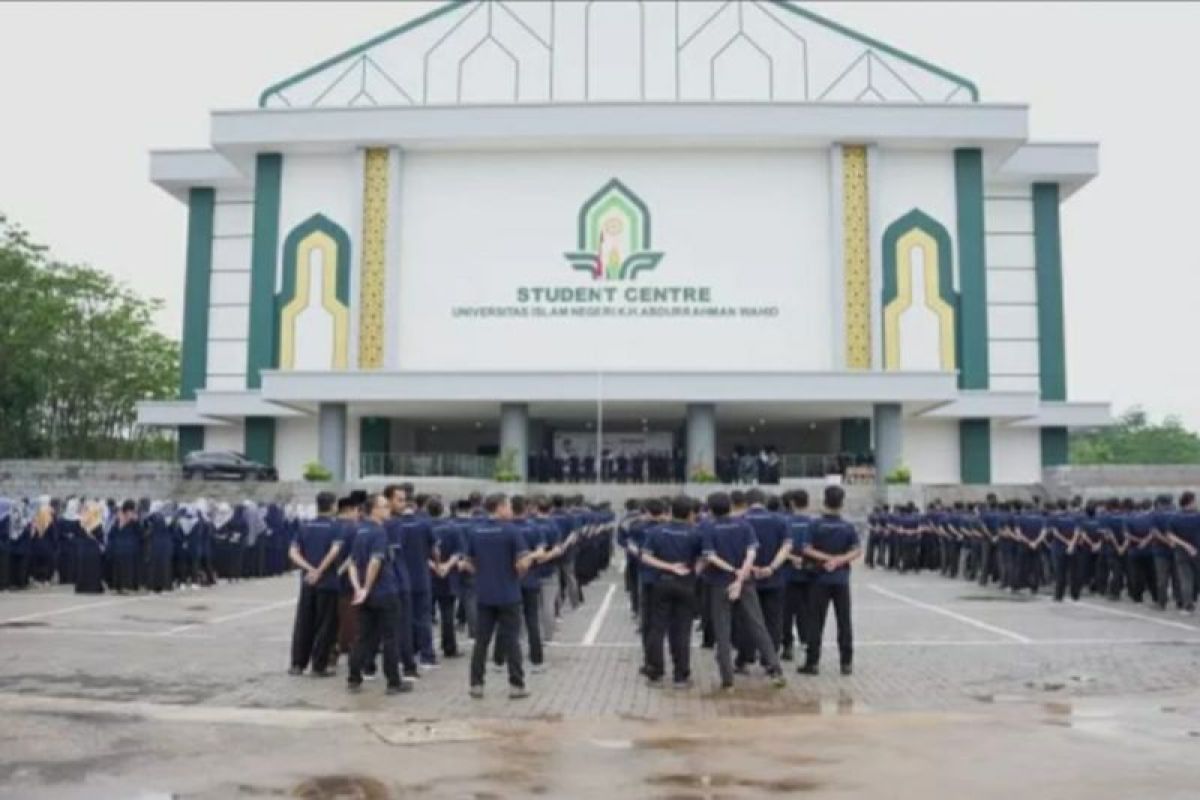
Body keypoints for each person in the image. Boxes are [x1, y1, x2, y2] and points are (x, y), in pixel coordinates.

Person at [699, 491, 786, 690]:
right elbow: (752, 552)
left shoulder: (709, 528)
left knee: (722, 630)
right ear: (730, 506)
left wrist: (731, 571)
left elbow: (710, 556)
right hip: (746, 583)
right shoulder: (744, 525)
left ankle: (727, 679)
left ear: (711, 510)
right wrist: (741, 577)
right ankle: (775, 670)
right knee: (758, 625)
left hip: (720, 583)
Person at [463, 493, 536, 700]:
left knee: (481, 641)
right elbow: (522, 563)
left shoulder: (475, 531)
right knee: (512, 640)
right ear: (501, 507)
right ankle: (516, 685)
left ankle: (476, 684)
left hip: (484, 594)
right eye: (509, 506)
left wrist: (482, 573)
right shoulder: (511, 531)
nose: (511, 510)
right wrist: (524, 566)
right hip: (508, 594)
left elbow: (468, 563)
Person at [347, 493, 408, 695]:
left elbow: (352, 564)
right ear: (374, 510)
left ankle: (354, 678)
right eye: (384, 506)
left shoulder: (359, 531)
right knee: (390, 637)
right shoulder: (379, 532)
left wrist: (359, 589)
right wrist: (366, 587)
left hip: (366, 595)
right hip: (383, 591)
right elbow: (375, 561)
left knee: (362, 637)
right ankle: (393, 682)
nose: (388, 509)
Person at [640, 495, 702, 688]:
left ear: (671, 511)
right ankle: (680, 676)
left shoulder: (657, 531)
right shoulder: (695, 533)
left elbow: (646, 557)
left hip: (662, 583)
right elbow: (704, 558)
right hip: (685, 584)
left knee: (657, 627)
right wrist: (693, 572)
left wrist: (667, 567)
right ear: (691, 513)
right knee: (682, 630)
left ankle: (655, 672)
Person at [799, 485, 860, 676]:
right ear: (842, 503)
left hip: (819, 579)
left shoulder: (815, 525)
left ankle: (812, 662)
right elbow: (857, 550)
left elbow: (806, 549)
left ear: (825, 501)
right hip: (841, 579)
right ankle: (846, 663)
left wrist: (826, 559)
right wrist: (839, 560)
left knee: (816, 621)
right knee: (844, 621)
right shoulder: (847, 526)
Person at [288, 491, 344, 677]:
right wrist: (320, 570)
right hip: (328, 582)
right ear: (333, 506)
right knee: (325, 624)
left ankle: (298, 663)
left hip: (307, 582)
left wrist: (309, 569)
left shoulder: (305, 526)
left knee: (304, 622)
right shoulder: (336, 527)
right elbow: (335, 551)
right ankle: (318, 665)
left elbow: (293, 552)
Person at [385, 485, 436, 672]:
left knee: (402, 619)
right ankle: (427, 655)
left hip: (398, 578)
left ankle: (404, 654)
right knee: (423, 617)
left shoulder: (389, 524)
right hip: (421, 575)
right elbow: (434, 549)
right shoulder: (424, 523)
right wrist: (437, 564)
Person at [741, 489, 792, 666]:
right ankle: (770, 657)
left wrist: (750, 567)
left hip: (747, 577)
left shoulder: (740, 520)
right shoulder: (780, 520)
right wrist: (771, 567)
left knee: (747, 617)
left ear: (747, 502)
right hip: (774, 577)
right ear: (764, 500)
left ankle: (745, 656)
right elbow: (786, 547)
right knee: (774, 619)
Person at [429, 498, 464, 659]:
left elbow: (419, 552)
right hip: (448, 576)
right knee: (448, 612)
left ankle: (423, 647)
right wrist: (447, 566)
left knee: (423, 615)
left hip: (428, 575)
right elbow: (458, 552)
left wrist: (435, 566)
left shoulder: (425, 527)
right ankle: (449, 646)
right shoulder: (453, 528)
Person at [1168, 491, 1200, 613]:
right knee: (1194, 577)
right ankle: (1191, 601)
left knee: (1186, 579)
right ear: (1190, 502)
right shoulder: (1198, 516)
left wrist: (1185, 546)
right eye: (1195, 501)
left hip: (1181, 552)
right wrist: (1190, 547)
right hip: (1196, 551)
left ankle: (1188, 605)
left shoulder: (1175, 517)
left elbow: (1170, 536)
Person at [75, 501, 106, 594]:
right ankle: (94, 587)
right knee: (94, 569)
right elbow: (100, 537)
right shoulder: (98, 523)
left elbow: (78, 535)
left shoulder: (82, 523)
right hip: (94, 549)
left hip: (83, 548)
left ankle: (82, 587)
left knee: (83, 568)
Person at [109, 500, 141, 594]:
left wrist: (135, 521)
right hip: (124, 547)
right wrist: (121, 524)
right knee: (120, 568)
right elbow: (112, 533)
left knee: (126, 568)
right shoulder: (119, 519)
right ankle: (120, 587)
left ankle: (124, 587)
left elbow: (139, 532)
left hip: (127, 547)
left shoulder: (134, 519)